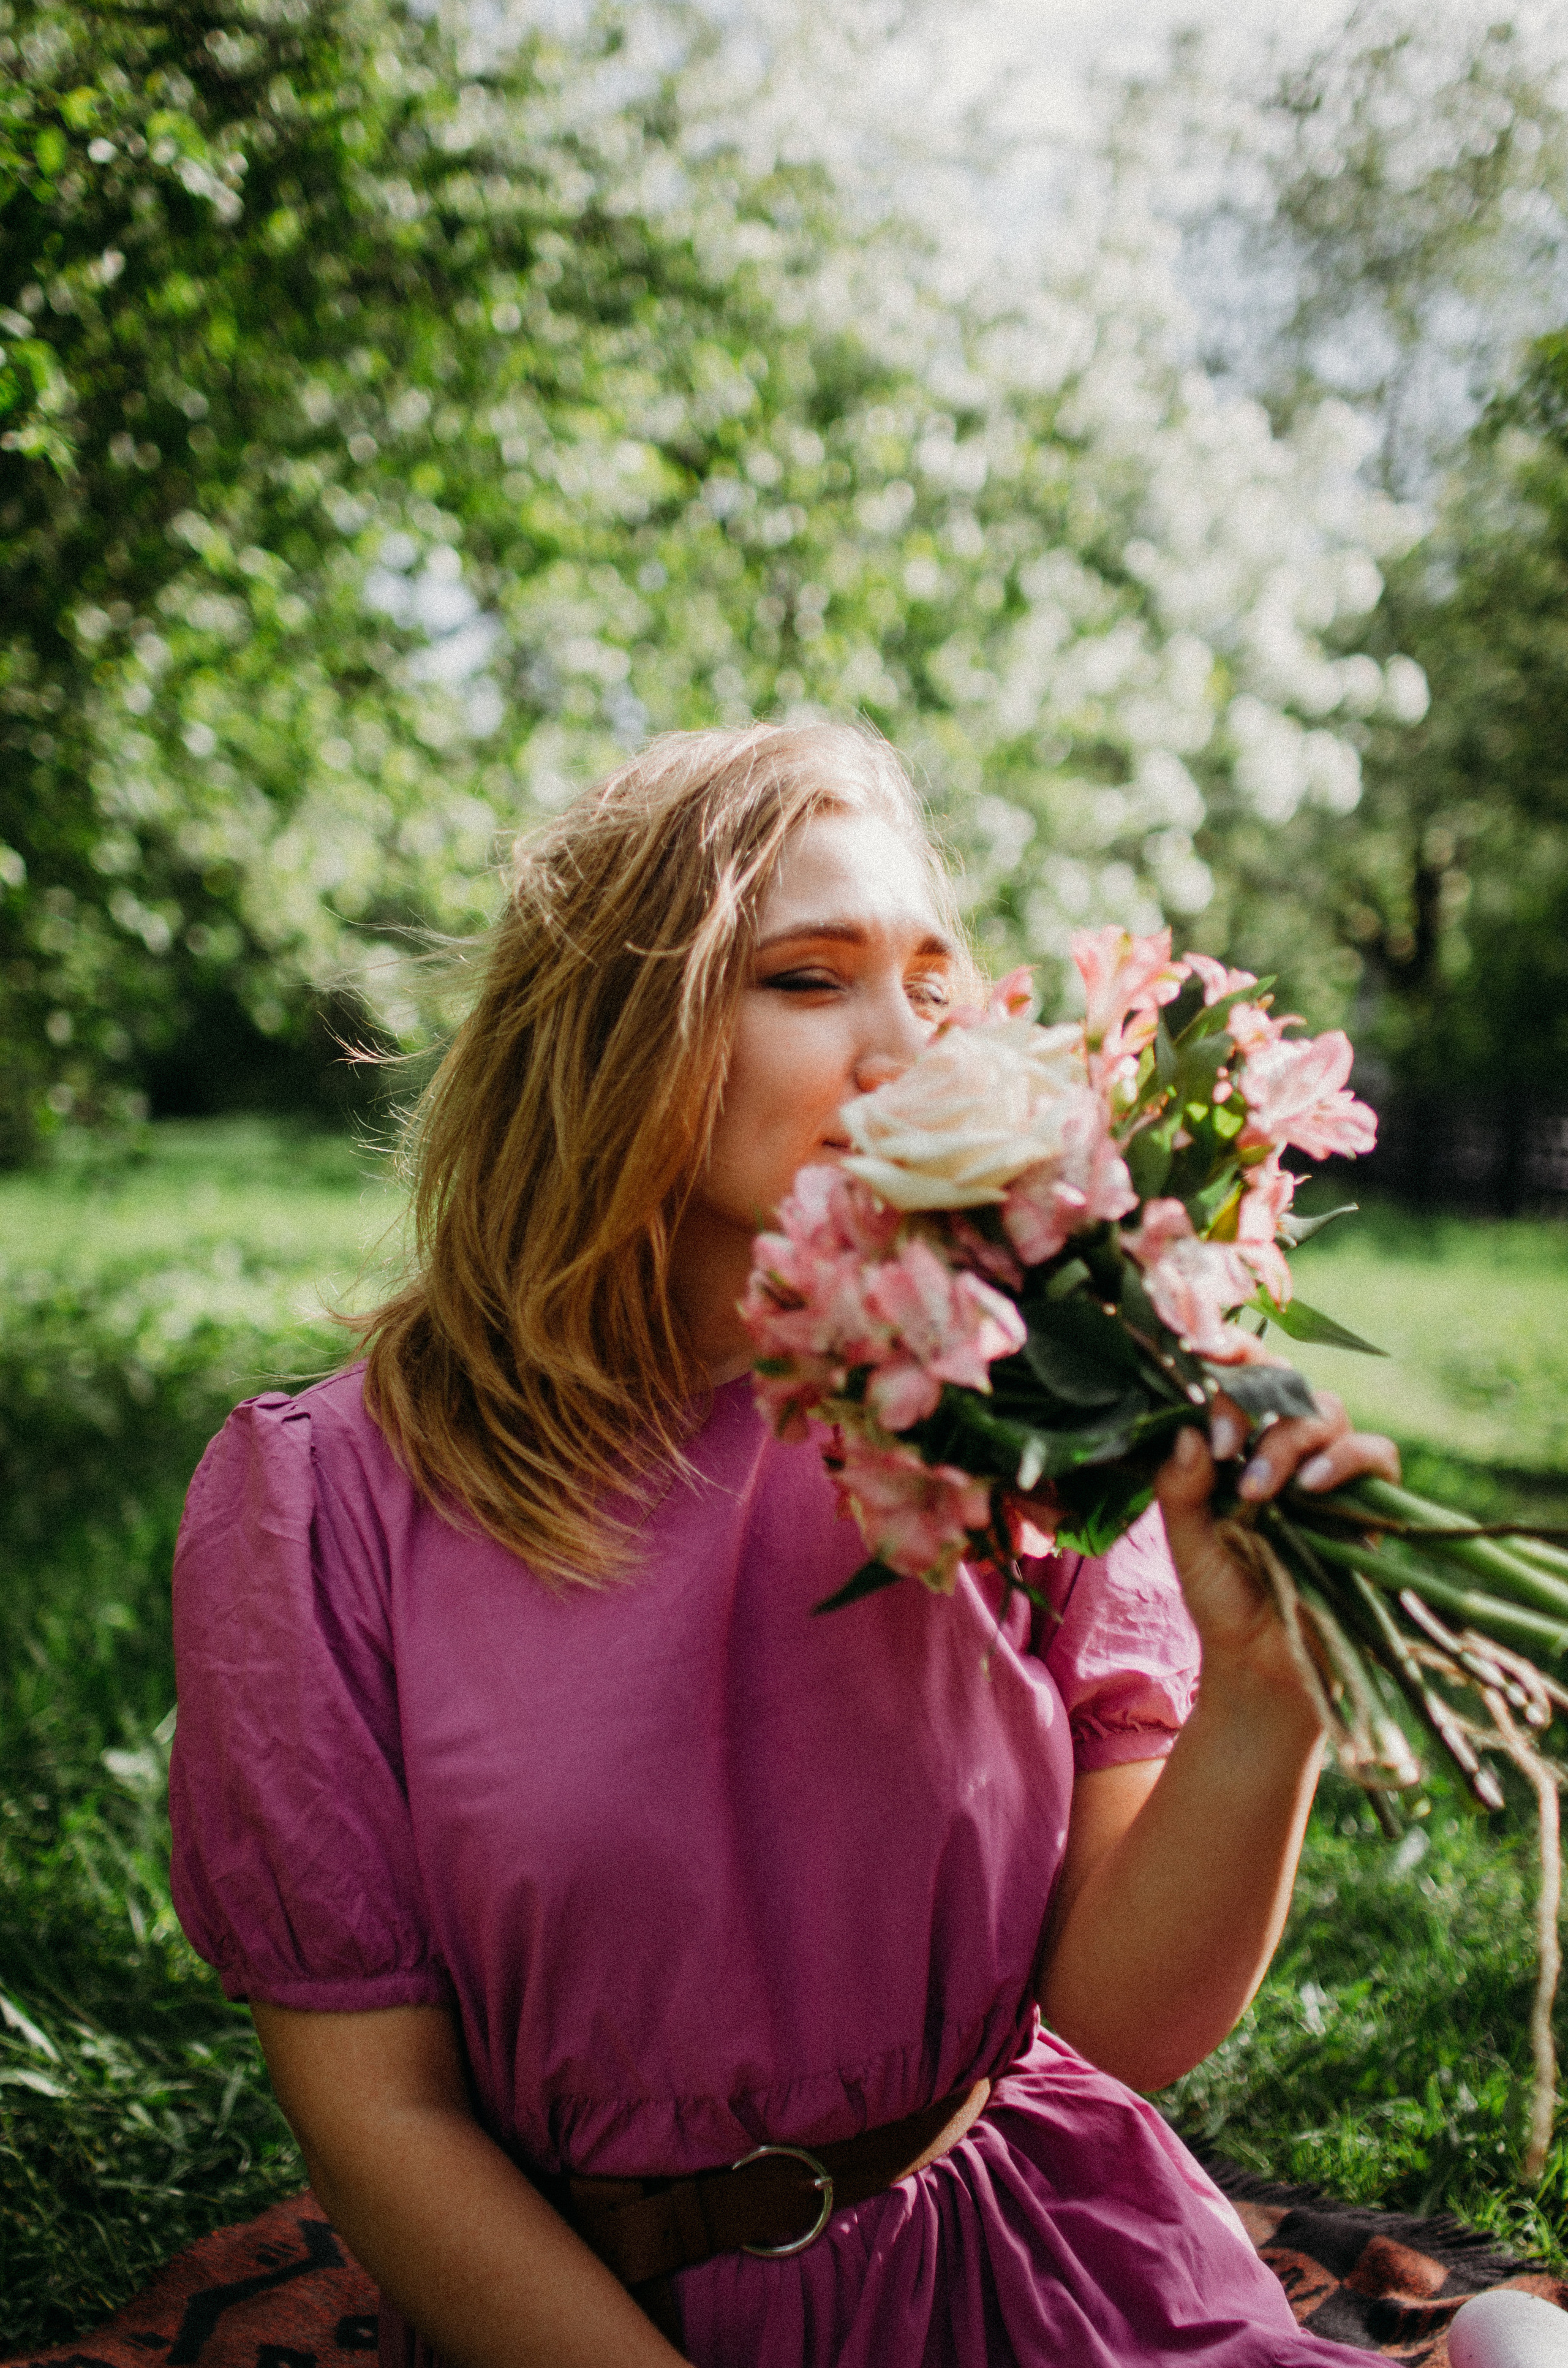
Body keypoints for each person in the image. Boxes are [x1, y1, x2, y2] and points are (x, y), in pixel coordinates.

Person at [168, 721, 1403, 2368]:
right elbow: (380, 2114)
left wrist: (1264, 1704)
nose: (903, 1046)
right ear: (615, 1033)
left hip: (1029, 2274)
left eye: (935, 986)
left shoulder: (1025, 1418)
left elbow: (1120, 2024)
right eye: (810, 978)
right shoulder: (319, 1504)